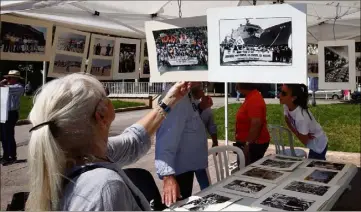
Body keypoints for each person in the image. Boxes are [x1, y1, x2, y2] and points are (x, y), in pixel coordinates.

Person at [25, 73, 192, 211]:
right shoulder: (106, 187)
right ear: (101, 115)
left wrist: (170, 100)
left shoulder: (76, 155)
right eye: (105, 94)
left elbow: (133, 141)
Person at [155, 82, 210, 207]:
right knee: (178, 207)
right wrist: (167, 175)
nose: (202, 81)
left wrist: (201, 107)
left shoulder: (186, 95)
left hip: (187, 168)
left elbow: (189, 121)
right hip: (178, 173)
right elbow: (166, 138)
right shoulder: (178, 100)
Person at [279, 84, 328, 160]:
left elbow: (304, 140)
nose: (279, 95)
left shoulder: (301, 117)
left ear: (293, 98)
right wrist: (298, 132)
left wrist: (299, 133)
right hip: (312, 143)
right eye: (280, 91)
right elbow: (287, 120)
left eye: (284, 94)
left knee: (316, 168)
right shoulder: (286, 106)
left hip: (318, 144)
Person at [234, 83, 270, 166]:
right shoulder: (251, 96)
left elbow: (256, 124)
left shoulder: (254, 99)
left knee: (247, 171)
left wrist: (247, 144)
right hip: (250, 143)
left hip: (254, 144)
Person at [191, 84, 218, 191]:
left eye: (203, 87)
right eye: (201, 88)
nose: (203, 91)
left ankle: (207, 194)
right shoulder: (185, 105)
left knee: (203, 177)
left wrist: (215, 142)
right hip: (183, 151)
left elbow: (211, 125)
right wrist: (201, 107)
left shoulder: (207, 109)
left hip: (198, 148)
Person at [0, 70, 24, 165]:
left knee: (8, 135)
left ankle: (11, 156)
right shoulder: (5, 87)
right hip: (3, 112)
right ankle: (5, 155)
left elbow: (7, 89)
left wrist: (2, 83)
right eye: (8, 77)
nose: (8, 79)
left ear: (16, 79)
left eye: (10, 78)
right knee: (2, 136)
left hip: (11, 114)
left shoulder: (19, 87)